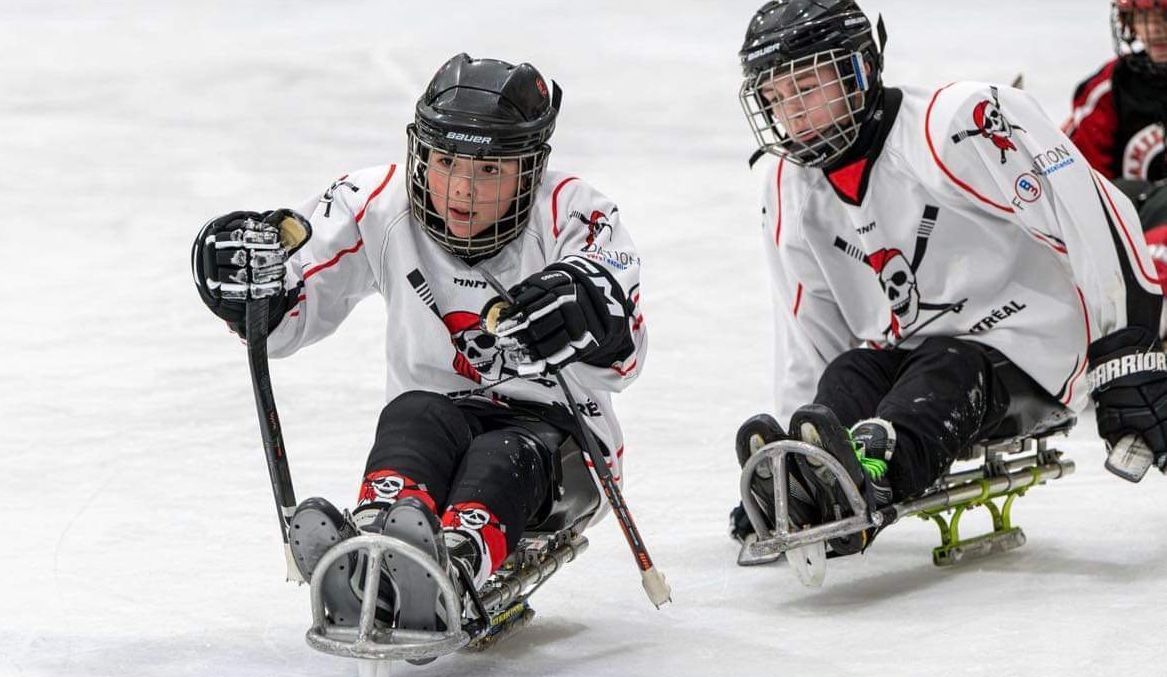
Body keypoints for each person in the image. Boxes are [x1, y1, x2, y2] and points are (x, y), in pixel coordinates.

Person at [192, 53, 646, 630]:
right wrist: (252, 290)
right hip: (437, 424)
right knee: (412, 416)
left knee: (498, 454)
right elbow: (290, 314)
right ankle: (375, 542)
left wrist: (589, 314)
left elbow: (625, 360)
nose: (461, 188)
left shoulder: (575, 214)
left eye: (489, 170)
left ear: (530, 168)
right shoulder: (380, 203)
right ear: (419, 151)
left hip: (559, 444)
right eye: (445, 160)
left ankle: (451, 568)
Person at [728, 0, 1167, 558]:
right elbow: (807, 334)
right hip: (916, 360)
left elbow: (1095, 214)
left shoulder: (958, 124)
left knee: (945, 365)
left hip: (1032, 351)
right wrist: (796, 437)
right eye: (777, 98)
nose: (794, 114)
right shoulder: (788, 188)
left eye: (808, 87)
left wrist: (1128, 353)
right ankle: (811, 477)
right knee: (851, 369)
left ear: (859, 71)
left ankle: (873, 474)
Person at [1065, 0, 1167, 313]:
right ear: (1128, 22)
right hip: (1134, 225)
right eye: (1142, 16)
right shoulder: (1109, 88)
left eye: (1164, 15)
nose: (1154, 29)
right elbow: (1081, 187)